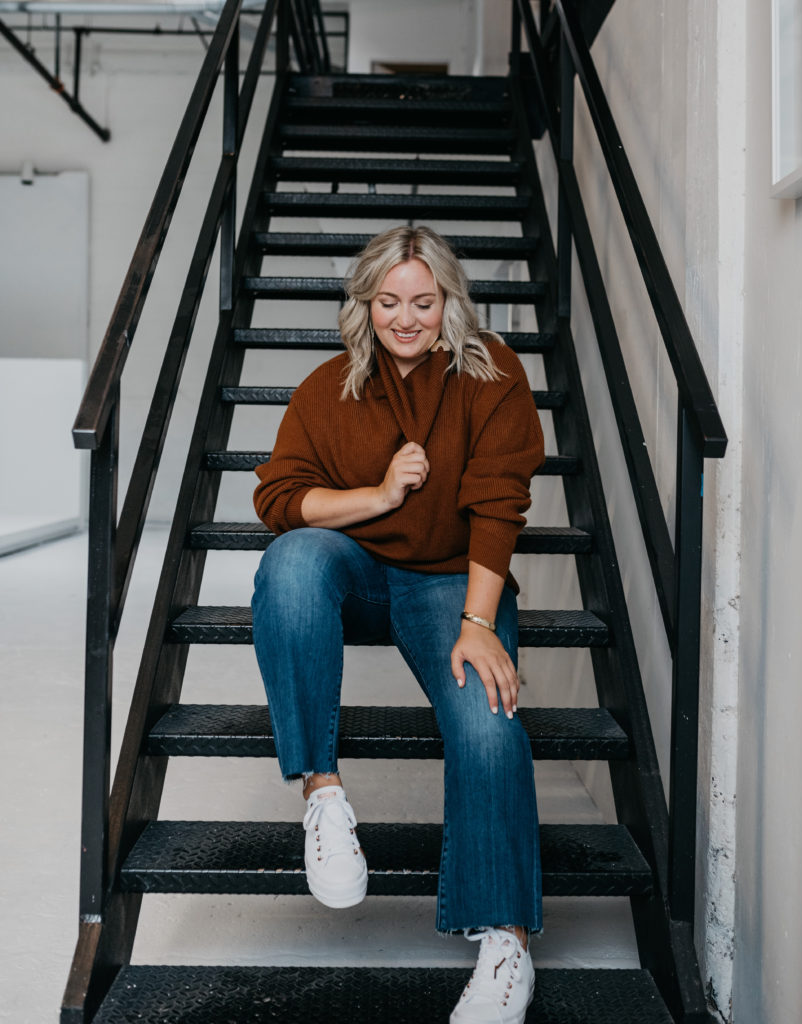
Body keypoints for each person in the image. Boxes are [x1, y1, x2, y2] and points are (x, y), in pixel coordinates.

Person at [251, 225, 545, 1024]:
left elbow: (499, 498)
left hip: (452, 580)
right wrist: (379, 497)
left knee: (488, 728)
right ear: (365, 303)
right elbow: (279, 499)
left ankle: (505, 943)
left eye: (423, 301)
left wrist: (479, 621)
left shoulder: (491, 372)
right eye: (388, 302)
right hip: (357, 569)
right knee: (293, 560)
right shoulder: (327, 389)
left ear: (449, 300)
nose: (405, 319)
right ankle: (322, 794)